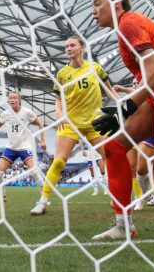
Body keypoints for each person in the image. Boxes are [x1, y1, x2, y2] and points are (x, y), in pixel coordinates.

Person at [91, 0, 154, 239]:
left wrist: (124, 110)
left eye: (97, 3)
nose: (93, 10)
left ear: (116, 5)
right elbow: (149, 78)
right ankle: (123, 225)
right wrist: (124, 107)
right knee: (113, 147)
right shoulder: (125, 28)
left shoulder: (129, 24)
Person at [30, 36, 118, 215]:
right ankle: (43, 201)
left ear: (82, 47)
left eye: (72, 45)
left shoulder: (95, 68)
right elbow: (58, 99)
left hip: (95, 122)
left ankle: (117, 197)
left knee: (111, 157)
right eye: (66, 46)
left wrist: (119, 107)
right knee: (59, 160)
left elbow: (109, 90)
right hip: (70, 123)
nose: (68, 49)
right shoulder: (62, 74)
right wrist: (59, 113)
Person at [0, 91, 46, 204]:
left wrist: (42, 140)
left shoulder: (27, 112)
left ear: (19, 99)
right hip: (11, 148)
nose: (12, 100)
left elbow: (40, 123)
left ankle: (45, 198)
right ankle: (3, 197)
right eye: (10, 98)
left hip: (24, 147)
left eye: (14, 98)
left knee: (35, 172)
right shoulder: (5, 114)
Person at [113, 80, 154, 210]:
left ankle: (150, 193)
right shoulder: (130, 99)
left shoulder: (149, 91)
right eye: (133, 83)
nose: (134, 85)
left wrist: (123, 88)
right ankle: (143, 196)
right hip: (135, 134)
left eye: (137, 83)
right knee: (135, 168)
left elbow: (143, 93)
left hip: (153, 130)